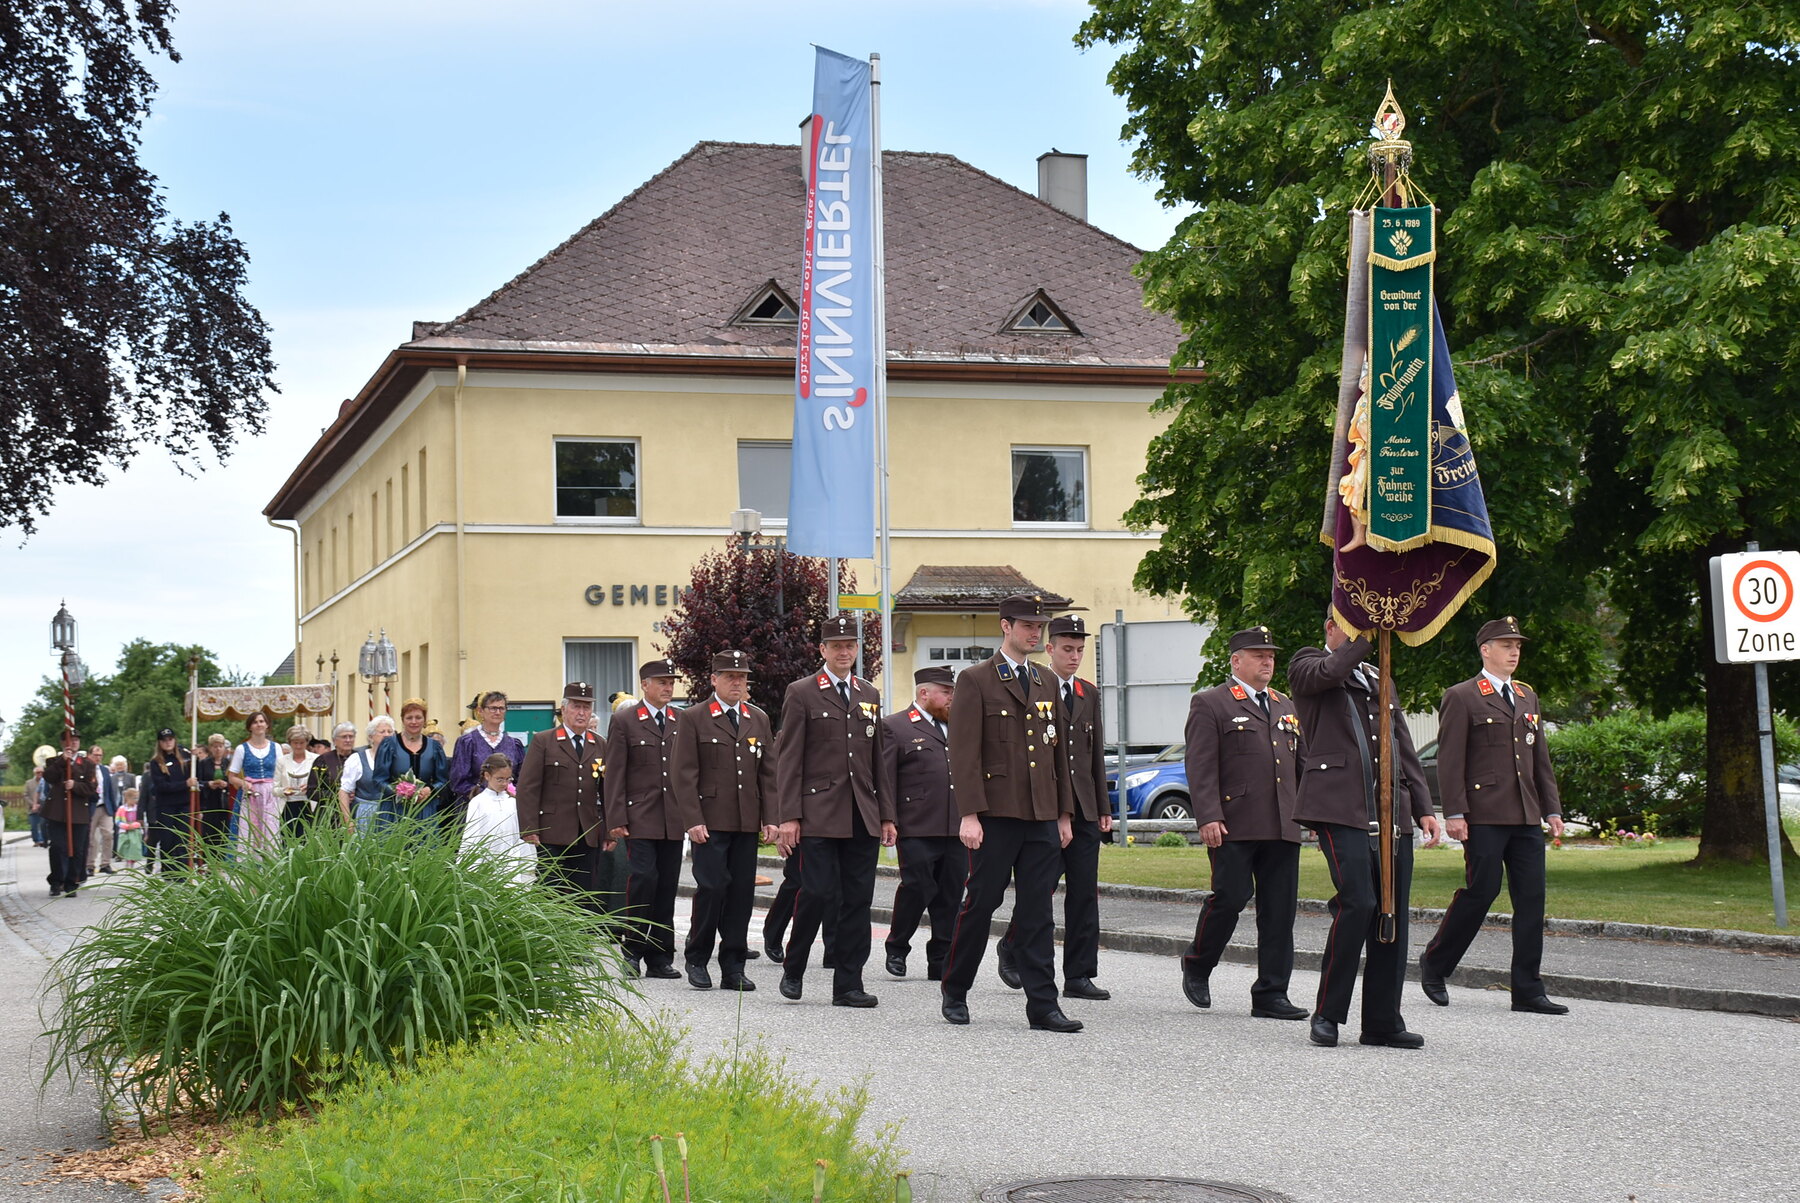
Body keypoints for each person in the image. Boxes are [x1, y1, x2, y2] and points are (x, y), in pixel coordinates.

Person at [1288, 613, 1442, 1049]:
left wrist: (1423, 808)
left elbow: (1402, 743)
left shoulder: (1379, 675)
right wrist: (1366, 638)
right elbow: (1332, 671)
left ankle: (1382, 1021)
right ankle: (1327, 1014)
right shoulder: (1308, 663)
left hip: (1391, 809)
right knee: (1359, 903)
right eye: (1351, 624)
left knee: (1391, 912)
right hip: (1338, 806)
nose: (1361, 634)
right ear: (1330, 627)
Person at [940, 594, 1082, 1033]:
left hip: (1041, 814)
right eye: (1026, 625)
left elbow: (1058, 753)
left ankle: (1043, 1005)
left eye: (1039, 626)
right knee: (981, 903)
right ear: (1006, 626)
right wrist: (969, 814)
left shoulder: (1045, 680)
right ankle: (955, 989)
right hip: (996, 814)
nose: (1035, 633)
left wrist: (1064, 813)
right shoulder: (976, 679)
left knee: (1038, 911)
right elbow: (963, 752)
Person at [1421, 616, 1570, 1015]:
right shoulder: (1463, 695)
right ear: (1485, 650)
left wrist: (1552, 807)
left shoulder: (1526, 695)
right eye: (1506, 645)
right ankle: (1435, 963)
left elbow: (1539, 758)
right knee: (1481, 892)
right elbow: (1450, 759)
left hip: (1525, 815)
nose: (1514, 652)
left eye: (1517, 646)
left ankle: (1527, 989)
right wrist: (1454, 812)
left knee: (1532, 900)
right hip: (1484, 814)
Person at [1178, 626, 1308, 1020]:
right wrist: (1209, 815)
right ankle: (1198, 963)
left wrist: (1312, 812)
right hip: (1234, 822)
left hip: (1282, 822)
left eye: (1271, 656)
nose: (1268, 662)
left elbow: (1301, 765)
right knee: (1231, 897)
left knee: (1279, 911)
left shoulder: (1285, 705)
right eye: (1258, 655)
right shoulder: (1211, 703)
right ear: (1236, 661)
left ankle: (1271, 993)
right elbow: (1200, 765)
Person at [775, 617, 897, 1008]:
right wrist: (789, 816)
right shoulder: (802, 692)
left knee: (858, 900)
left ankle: (848, 984)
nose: (844, 652)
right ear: (823, 650)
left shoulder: (868, 693)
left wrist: (886, 815)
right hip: (818, 813)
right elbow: (789, 758)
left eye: (850, 645)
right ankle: (794, 968)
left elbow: (877, 759)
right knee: (816, 892)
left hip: (861, 812)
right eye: (837, 646)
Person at [996, 614, 1114, 1001]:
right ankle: (1012, 946)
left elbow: (1094, 753)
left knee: (1084, 893)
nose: (1074, 656)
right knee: (1041, 887)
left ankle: (1079, 974)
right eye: (1067, 649)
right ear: (1049, 648)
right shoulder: (1036, 685)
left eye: (1080, 650)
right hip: (1046, 805)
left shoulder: (1087, 693)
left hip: (1083, 807)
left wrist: (1103, 806)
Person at [672, 651, 778, 991]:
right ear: (714, 679)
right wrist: (692, 819)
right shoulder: (694, 718)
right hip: (710, 822)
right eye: (730, 676)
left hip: (746, 821)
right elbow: (683, 773)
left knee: (741, 895)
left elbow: (768, 774)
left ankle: (733, 966)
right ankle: (697, 957)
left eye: (742, 677)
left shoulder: (757, 718)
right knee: (712, 888)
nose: (737, 682)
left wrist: (771, 817)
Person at [604, 659, 686, 979]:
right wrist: (616, 817)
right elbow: (615, 773)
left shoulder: (681, 719)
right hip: (640, 815)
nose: (668, 687)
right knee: (643, 880)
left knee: (666, 886)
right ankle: (633, 950)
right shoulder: (626, 720)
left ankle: (660, 956)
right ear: (645, 685)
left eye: (671, 682)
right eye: (662, 682)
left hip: (673, 817)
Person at [881, 666, 963, 981]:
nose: (951, 698)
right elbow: (886, 777)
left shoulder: (959, 725)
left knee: (951, 893)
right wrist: (887, 818)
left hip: (955, 824)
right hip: (916, 824)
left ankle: (940, 959)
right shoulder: (896, 726)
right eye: (946, 692)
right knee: (917, 886)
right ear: (924, 693)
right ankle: (897, 946)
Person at [515, 682, 606, 909]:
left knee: (584, 894)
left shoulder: (599, 744)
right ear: (564, 710)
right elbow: (528, 787)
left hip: (587, 831)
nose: (581, 713)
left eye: (586, 707)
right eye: (576, 706)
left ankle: (579, 931)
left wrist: (609, 831)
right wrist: (529, 827)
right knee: (550, 890)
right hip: (551, 830)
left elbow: (607, 790)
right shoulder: (544, 740)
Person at [447, 692, 526, 834]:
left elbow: (522, 778)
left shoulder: (514, 744)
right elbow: (458, 781)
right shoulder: (467, 742)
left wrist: (509, 794)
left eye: (501, 708)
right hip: (473, 809)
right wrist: (487, 795)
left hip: (506, 811)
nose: (497, 712)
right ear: (480, 711)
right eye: (493, 708)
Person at [460, 752, 535, 885]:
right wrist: (470, 868)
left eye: (508, 779)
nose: (504, 783)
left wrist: (527, 862)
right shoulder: (478, 803)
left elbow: (520, 834)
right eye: (500, 779)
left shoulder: (513, 802)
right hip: (487, 863)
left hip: (512, 862)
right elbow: (471, 836)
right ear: (487, 776)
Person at [373, 699, 450, 827]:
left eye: (418, 717)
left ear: (424, 720)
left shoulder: (434, 747)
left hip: (425, 810)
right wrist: (399, 791)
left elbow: (442, 780)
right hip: (394, 811)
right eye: (409, 718)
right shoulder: (389, 745)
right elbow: (378, 780)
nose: (414, 722)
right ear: (402, 720)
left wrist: (429, 790)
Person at [42, 730, 95, 898]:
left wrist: (75, 785)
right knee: (58, 847)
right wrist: (62, 761)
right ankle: (56, 881)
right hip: (57, 812)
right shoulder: (53, 761)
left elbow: (91, 788)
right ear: (63, 743)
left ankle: (72, 883)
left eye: (76, 740)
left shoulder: (87, 764)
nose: (73, 743)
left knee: (78, 849)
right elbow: (49, 777)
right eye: (70, 740)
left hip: (78, 812)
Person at [228, 712, 281, 850]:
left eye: (261, 721)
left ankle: (271, 859)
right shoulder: (242, 749)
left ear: (267, 725)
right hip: (250, 794)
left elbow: (282, 772)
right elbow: (232, 776)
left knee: (271, 828)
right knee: (249, 830)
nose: (259, 725)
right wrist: (243, 783)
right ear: (249, 727)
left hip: (271, 794)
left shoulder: (276, 747)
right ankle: (249, 860)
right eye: (255, 722)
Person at [142, 728, 195, 868]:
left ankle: (182, 871)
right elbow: (161, 786)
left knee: (182, 839)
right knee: (167, 840)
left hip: (183, 804)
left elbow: (197, 773)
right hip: (166, 806)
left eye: (170, 739)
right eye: (164, 740)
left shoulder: (185, 756)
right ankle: (168, 871)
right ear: (160, 743)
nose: (168, 743)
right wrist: (184, 784)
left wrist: (196, 757)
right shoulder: (156, 762)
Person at [337, 716, 394, 831]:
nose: (387, 735)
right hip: (365, 815)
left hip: (393, 814)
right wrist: (348, 821)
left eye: (390, 731)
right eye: (382, 731)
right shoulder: (357, 759)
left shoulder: (399, 759)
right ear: (371, 736)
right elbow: (344, 792)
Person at [192, 733, 236, 849]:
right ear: (210, 748)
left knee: (224, 834)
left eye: (220, 746)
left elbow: (234, 781)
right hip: (208, 804)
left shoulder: (229, 764)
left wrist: (226, 784)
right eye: (215, 746)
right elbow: (197, 782)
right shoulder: (203, 763)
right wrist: (208, 784)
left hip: (224, 804)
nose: (218, 749)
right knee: (208, 835)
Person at [309, 723, 358, 824]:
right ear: (334, 740)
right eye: (344, 737)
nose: (348, 740)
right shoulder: (323, 760)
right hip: (329, 815)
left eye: (351, 736)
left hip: (356, 812)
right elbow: (311, 791)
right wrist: (339, 796)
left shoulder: (360, 758)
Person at [275, 724, 318, 837]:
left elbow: (321, 784)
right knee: (288, 841)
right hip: (288, 807)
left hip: (309, 806)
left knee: (308, 840)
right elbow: (274, 789)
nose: (298, 746)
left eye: (302, 742)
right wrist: (283, 791)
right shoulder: (281, 761)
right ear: (290, 742)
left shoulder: (315, 759)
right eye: (295, 742)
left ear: (307, 742)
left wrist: (310, 788)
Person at [84, 747, 120, 878]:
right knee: (91, 837)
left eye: (100, 755)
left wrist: (114, 807)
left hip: (105, 806)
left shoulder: (104, 770)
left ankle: (105, 863)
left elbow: (109, 789)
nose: (98, 758)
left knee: (108, 834)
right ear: (89, 755)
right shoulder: (85, 769)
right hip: (91, 807)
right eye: (95, 755)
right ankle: (89, 865)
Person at [115, 788, 146, 869]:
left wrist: (137, 825)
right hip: (125, 831)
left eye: (137, 798)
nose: (136, 800)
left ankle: (132, 864)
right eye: (134, 798)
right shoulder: (121, 809)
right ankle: (126, 862)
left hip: (135, 831)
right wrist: (126, 826)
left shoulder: (137, 808)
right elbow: (117, 820)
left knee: (134, 847)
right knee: (125, 846)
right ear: (128, 798)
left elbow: (141, 820)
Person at [28, 767, 49, 847]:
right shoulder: (31, 782)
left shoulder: (51, 779)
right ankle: (43, 840)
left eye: (42, 772)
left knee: (50, 823)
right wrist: (34, 804)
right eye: (38, 772)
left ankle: (50, 839)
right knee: (41, 823)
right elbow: (37, 792)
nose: (40, 774)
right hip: (42, 803)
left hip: (51, 803)